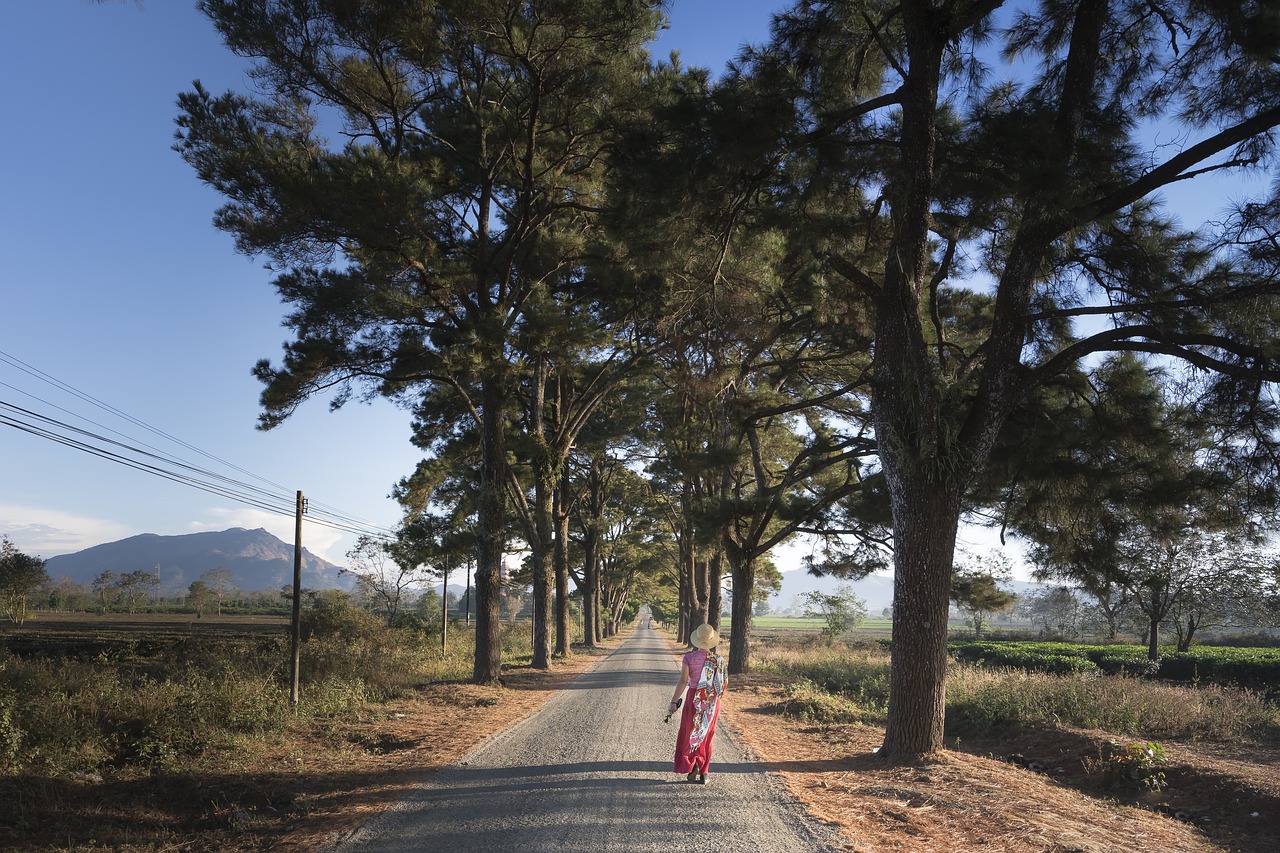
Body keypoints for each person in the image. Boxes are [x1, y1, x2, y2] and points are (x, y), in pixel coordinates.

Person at [667, 622, 727, 784]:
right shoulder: (718, 661)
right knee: (707, 733)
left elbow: (683, 681)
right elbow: (722, 685)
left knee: (690, 731)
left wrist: (673, 702)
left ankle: (691, 763)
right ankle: (704, 771)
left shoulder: (689, 658)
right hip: (711, 700)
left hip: (694, 697)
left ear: (697, 639)